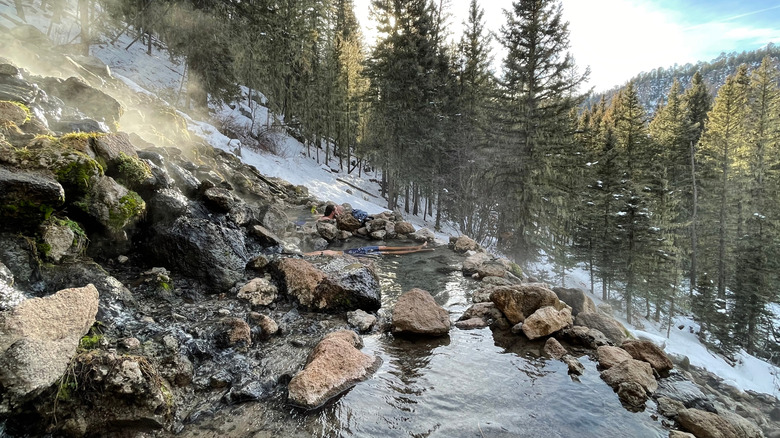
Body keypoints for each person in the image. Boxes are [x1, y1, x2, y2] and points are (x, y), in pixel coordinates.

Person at [304, 242, 431, 257]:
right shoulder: (323, 255)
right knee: (387, 252)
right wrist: (304, 255)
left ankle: (418, 247)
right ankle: (417, 249)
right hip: (356, 254)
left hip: (356, 250)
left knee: (385, 247)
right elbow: (316, 253)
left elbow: (317, 253)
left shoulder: (324, 254)